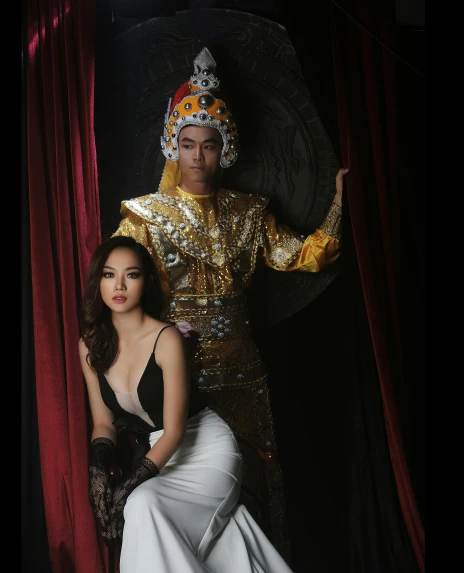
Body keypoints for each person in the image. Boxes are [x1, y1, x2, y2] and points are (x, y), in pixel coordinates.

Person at [111, 47, 347, 553]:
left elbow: (296, 255)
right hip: (176, 373)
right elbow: (117, 291)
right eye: (189, 144)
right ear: (173, 147)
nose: (198, 156)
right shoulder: (145, 218)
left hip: (244, 370)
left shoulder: (249, 211)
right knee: (176, 499)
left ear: (226, 150)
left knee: (252, 486)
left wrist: (339, 205)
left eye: (210, 145)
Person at [80, 235, 294, 573]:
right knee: (143, 506)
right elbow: (103, 422)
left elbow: (175, 431)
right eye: (109, 274)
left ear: (146, 282)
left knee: (142, 503)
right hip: (161, 455)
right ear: (98, 282)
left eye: (131, 275)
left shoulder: (167, 339)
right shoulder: (90, 346)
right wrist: (97, 471)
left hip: (205, 450)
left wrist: (128, 486)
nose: (119, 285)